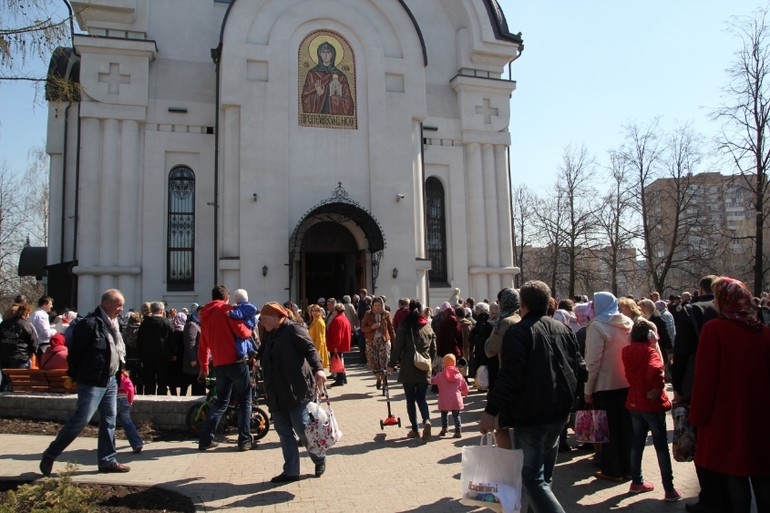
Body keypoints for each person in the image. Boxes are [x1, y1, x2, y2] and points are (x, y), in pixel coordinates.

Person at [479, 280, 584, 513]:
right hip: (556, 413)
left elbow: (510, 377)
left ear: (522, 303)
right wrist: (569, 402)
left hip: (532, 415)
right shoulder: (564, 329)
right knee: (543, 478)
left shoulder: (519, 332)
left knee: (531, 478)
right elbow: (580, 370)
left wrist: (490, 412)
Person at [689, 277, 770, 513]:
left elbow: (705, 379)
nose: (714, 302)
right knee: (763, 474)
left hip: (728, 417)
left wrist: (698, 417)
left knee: (735, 475)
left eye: (716, 297)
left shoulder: (715, 329)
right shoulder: (763, 331)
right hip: (761, 416)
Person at [40, 289, 130, 476]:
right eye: (119, 305)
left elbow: (115, 350)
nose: (122, 308)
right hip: (92, 381)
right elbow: (75, 354)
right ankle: (51, 454)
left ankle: (107, 460)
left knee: (109, 421)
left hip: (110, 380)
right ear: (106, 303)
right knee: (81, 419)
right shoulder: (89, 324)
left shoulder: (114, 324)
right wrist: (74, 375)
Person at [670, 276, 725, 513]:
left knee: (701, 440)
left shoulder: (691, 311)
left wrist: (678, 388)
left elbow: (681, 353)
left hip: (697, 383)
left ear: (700, 290)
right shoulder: (734, 311)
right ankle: (727, 494)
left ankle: (710, 498)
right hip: (727, 383)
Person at [259, 301, 327, 482]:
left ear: (275, 317)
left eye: (264, 318)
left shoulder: (293, 329)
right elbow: (264, 354)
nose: (262, 322)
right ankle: (291, 471)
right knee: (284, 433)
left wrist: (318, 369)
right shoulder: (269, 332)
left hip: (296, 389)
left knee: (303, 429)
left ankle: (319, 458)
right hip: (276, 392)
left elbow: (310, 349)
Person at [622, 318, 681, 501]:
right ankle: (669, 488)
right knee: (661, 446)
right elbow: (655, 370)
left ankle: (636, 481)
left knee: (637, 442)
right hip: (651, 403)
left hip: (634, 400)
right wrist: (657, 387)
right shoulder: (651, 352)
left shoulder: (626, 350)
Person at [196, 285, 255, 451]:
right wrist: (250, 330)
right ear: (226, 298)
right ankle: (244, 440)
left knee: (221, 402)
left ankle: (206, 439)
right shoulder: (227, 310)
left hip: (219, 364)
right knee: (245, 400)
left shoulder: (204, 315)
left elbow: (203, 346)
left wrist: (204, 368)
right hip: (236, 362)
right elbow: (242, 333)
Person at [584, 291, 634, 482]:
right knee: (625, 428)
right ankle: (628, 468)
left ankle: (612, 470)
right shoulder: (628, 322)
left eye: (594, 304)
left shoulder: (597, 325)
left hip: (605, 385)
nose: (592, 308)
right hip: (627, 382)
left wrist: (588, 389)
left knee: (607, 429)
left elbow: (593, 361)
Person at [387, 299, 436, 441]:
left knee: (410, 399)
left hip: (408, 366)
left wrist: (391, 364)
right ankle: (426, 419)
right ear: (421, 310)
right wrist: (430, 363)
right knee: (421, 398)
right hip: (424, 366)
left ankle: (415, 429)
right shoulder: (427, 326)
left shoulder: (405, 325)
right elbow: (434, 348)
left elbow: (398, 347)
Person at [301, 41, 354, 115]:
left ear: (332, 55)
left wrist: (335, 98)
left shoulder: (341, 76)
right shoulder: (312, 74)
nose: (325, 55)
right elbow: (305, 98)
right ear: (319, 54)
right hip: (318, 116)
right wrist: (318, 95)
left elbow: (348, 103)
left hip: (334, 117)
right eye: (323, 52)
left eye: (328, 52)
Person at [136, 302, 175, 395]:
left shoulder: (144, 323)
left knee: (149, 380)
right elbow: (172, 339)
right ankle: (162, 397)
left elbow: (139, 340)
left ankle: (149, 398)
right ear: (161, 311)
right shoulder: (166, 322)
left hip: (147, 356)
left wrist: (140, 354)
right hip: (163, 356)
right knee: (162, 380)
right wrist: (174, 353)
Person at [0, 303, 39, 391]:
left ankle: (2, 397)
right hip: (20, 356)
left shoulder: (4, 323)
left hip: (4, 355)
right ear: (27, 313)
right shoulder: (27, 325)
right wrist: (32, 352)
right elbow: (34, 342)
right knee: (18, 381)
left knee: (5, 380)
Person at [431, 353, 469, 438]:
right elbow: (464, 385)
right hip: (456, 399)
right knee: (456, 415)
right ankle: (458, 431)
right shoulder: (458, 375)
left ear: (444, 363)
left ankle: (444, 429)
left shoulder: (441, 375)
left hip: (444, 399)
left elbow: (433, 381)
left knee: (444, 414)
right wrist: (465, 392)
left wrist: (428, 376)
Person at [361, 296, 395, 389]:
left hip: (384, 340)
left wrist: (394, 342)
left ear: (382, 305)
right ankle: (378, 377)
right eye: (375, 305)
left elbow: (391, 328)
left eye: (379, 305)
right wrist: (371, 327)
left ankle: (384, 382)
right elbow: (363, 328)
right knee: (373, 362)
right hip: (371, 341)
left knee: (384, 362)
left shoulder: (386, 314)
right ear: (372, 305)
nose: (377, 307)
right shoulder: (368, 314)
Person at [116, 369, 143, 453]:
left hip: (112, 399)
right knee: (127, 422)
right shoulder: (124, 376)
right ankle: (137, 443)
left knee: (109, 424)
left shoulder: (109, 375)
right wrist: (130, 401)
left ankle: (109, 446)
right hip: (124, 399)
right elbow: (131, 388)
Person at [227, 289, 258, 359]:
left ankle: (242, 354)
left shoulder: (242, 307)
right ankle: (251, 350)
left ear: (236, 297)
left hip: (246, 324)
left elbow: (240, 314)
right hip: (250, 325)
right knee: (246, 339)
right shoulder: (249, 306)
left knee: (240, 339)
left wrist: (231, 313)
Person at [326, 302, 351, 387]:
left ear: (336, 310)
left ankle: (340, 379)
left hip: (337, 345)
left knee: (337, 362)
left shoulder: (337, 320)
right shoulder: (344, 318)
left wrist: (335, 346)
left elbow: (337, 334)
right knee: (340, 361)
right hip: (341, 344)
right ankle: (343, 378)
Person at [182, 306, 205, 396]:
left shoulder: (200, 324)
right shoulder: (192, 325)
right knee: (196, 386)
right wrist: (193, 358)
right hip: (195, 362)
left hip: (200, 361)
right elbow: (190, 342)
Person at [307, 303, 329, 369]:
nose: (314, 312)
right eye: (312, 310)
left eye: (316, 310)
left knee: (316, 369)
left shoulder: (319, 322)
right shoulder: (314, 321)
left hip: (317, 348)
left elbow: (320, 338)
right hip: (313, 346)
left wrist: (316, 351)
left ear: (319, 311)